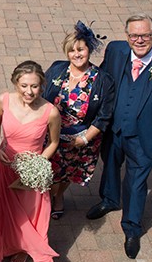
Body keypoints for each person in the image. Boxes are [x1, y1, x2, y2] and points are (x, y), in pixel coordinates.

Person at [87, 15, 152, 259]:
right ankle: (110, 199)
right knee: (109, 165)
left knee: (135, 183)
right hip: (114, 130)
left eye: (145, 35)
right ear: (127, 36)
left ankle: (132, 227)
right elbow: (100, 81)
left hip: (145, 138)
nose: (139, 40)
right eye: (134, 35)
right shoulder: (115, 51)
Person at [0, 61, 60, 262]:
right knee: (1, 207)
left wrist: (37, 164)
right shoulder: (3, 100)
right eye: (24, 86)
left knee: (26, 212)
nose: (29, 91)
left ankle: (22, 246)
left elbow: (54, 142)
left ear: (42, 85)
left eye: (34, 86)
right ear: (15, 83)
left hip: (30, 172)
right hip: (5, 165)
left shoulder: (51, 112)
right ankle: (1, 242)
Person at [43, 22, 115, 220]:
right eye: (72, 51)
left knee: (66, 173)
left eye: (81, 49)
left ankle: (58, 196)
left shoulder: (103, 80)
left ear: (89, 50)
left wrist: (84, 140)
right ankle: (48, 195)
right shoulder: (57, 69)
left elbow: (104, 116)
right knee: (49, 171)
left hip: (80, 138)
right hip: (52, 135)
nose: (77, 54)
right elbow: (41, 95)